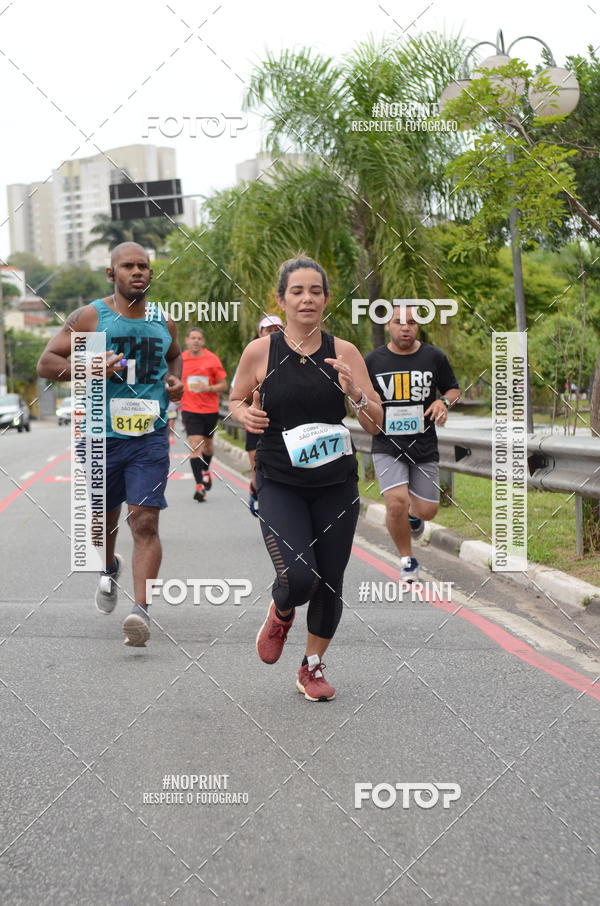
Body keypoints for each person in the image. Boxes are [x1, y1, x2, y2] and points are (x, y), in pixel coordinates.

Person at [229, 257, 383, 701]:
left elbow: (375, 423)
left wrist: (355, 393)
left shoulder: (346, 352)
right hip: (280, 481)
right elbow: (236, 399)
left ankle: (312, 668)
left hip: (336, 484)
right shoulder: (261, 352)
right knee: (299, 578)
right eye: (297, 291)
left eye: (315, 291)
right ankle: (281, 609)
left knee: (330, 579)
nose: (307, 299)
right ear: (281, 300)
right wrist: (248, 413)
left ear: (326, 299)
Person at [37, 242, 184, 647]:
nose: (137, 272)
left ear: (151, 274)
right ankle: (108, 567)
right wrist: (87, 366)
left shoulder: (163, 321)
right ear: (111, 274)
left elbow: (175, 357)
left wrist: (174, 381)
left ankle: (140, 613)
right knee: (103, 523)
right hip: (99, 435)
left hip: (149, 436)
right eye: (128, 266)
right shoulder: (91, 316)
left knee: (146, 521)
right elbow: (46, 362)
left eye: (143, 266)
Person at [365, 303, 460, 582]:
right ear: (388, 325)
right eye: (398, 321)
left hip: (424, 444)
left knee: (427, 511)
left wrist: (443, 402)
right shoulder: (372, 361)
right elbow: (360, 397)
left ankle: (414, 519)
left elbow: (453, 390)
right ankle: (407, 560)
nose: (405, 326)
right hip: (387, 444)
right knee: (396, 502)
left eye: (411, 322)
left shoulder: (433, 357)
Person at [180, 327, 227, 502]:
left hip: (210, 409)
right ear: (186, 340)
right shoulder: (181, 360)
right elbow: (173, 378)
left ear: (203, 341)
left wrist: (209, 388)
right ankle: (199, 486)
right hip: (190, 409)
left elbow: (223, 385)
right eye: (192, 338)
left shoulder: (212, 359)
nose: (196, 341)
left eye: (199, 338)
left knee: (207, 446)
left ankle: (206, 469)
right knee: (194, 445)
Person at [245, 314, 284, 516]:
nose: (273, 333)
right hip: (257, 422)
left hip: (284, 426)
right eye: (268, 329)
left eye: (277, 329)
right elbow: (237, 398)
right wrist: (247, 414)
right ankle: (256, 489)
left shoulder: (296, 354)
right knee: (258, 469)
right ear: (260, 333)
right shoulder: (252, 355)